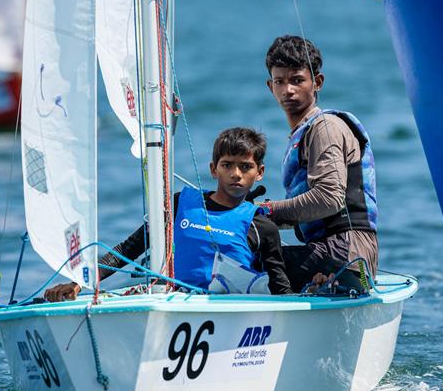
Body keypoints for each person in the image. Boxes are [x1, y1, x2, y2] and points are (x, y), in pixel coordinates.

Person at [45, 127, 292, 301]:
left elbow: (281, 289)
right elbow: (128, 250)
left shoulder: (261, 226)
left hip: (229, 315)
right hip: (179, 306)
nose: (236, 174)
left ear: (259, 172)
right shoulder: (180, 205)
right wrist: (79, 281)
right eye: (227, 165)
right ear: (213, 169)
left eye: (245, 167)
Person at [260, 35, 378, 293]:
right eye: (280, 81)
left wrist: (264, 212)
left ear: (318, 83)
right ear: (271, 87)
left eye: (297, 80)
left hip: (348, 253)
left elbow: (329, 198)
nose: (288, 90)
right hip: (333, 250)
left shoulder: (324, 128)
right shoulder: (303, 133)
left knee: (244, 263)